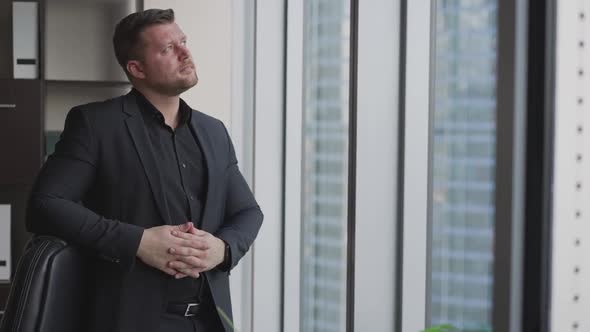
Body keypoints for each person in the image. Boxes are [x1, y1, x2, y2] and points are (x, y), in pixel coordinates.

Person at [26, 8, 263, 332]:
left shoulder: (214, 131)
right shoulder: (96, 124)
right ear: (136, 68)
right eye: (168, 49)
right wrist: (138, 242)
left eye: (183, 42)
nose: (185, 53)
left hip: (210, 320)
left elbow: (248, 212)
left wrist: (221, 249)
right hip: (129, 320)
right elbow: (45, 205)